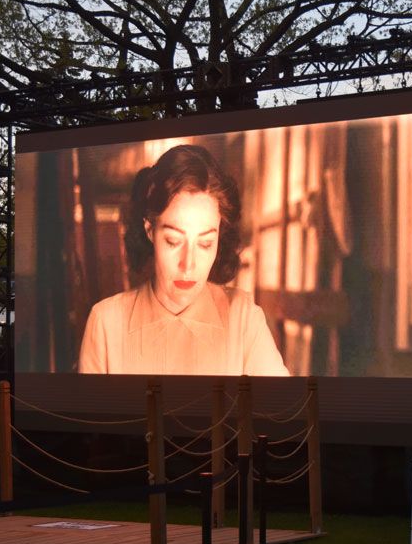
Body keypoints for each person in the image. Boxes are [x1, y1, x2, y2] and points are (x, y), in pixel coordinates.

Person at [79, 144, 288, 376]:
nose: (188, 264)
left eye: (205, 243)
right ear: (150, 230)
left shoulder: (243, 318)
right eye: (173, 241)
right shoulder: (106, 322)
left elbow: (285, 409)